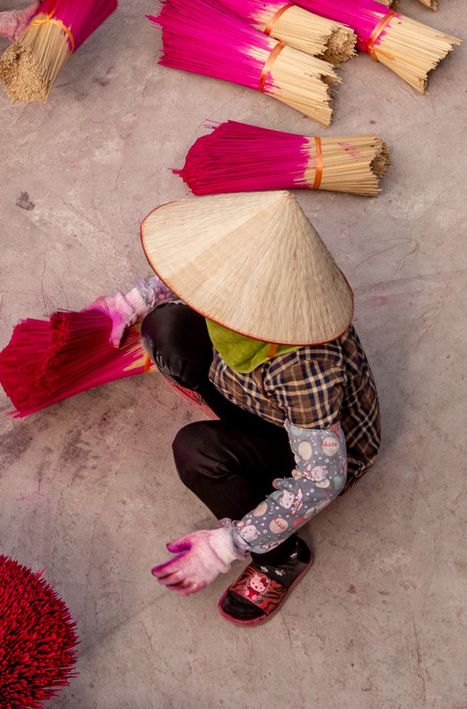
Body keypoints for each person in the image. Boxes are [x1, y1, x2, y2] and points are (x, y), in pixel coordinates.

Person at [90, 190, 382, 625]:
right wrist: (135, 300)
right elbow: (202, 275)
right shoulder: (253, 275)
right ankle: (234, 418)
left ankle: (281, 557)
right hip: (261, 398)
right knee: (163, 326)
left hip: (316, 447)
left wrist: (225, 545)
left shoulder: (305, 364)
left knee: (197, 450)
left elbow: (323, 479)